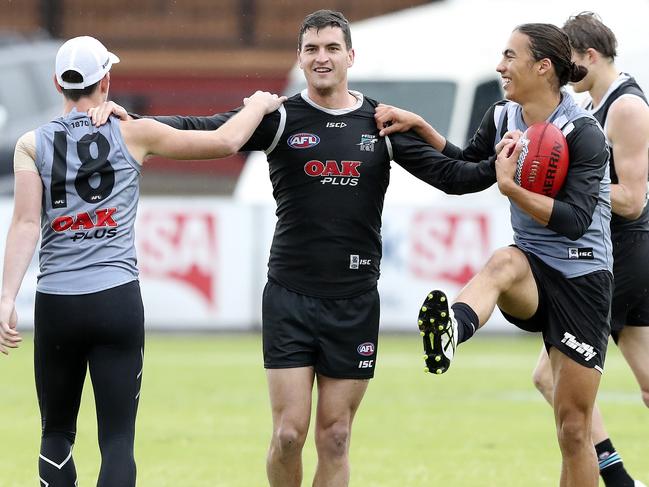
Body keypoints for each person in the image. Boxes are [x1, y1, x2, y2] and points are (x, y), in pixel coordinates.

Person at [87, 9, 512, 487]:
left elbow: (455, 177)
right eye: (312, 49)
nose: (322, 57)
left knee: (335, 436)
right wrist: (133, 122)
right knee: (289, 434)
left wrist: (502, 159)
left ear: (351, 56)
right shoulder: (279, 118)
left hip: (354, 301)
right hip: (290, 297)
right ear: (300, 58)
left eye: (332, 48)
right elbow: (200, 125)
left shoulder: (382, 123)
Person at [0, 35, 284, 486]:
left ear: (58, 83)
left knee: (55, 434)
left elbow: (25, 225)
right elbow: (225, 141)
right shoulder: (134, 131)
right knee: (117, 441)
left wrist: (5, 298)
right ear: (106, 81)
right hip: (116, 300)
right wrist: (258, 103)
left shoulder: (31, 145)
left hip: (57, 303)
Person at [376, 23, 611, 487]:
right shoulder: (503, 116)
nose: (500, 66)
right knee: (503, 262)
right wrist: (417, 130)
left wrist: (510, 188)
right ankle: (450, 333)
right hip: (533, 269)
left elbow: (575, 219)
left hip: (584, 277)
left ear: (542, 67)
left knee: (573, 429)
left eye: (510, 56)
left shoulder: (583, 132)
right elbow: (463, 173)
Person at [530, 12, 649, 487]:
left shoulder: (626, 108)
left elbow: (634, 200)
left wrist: (571, 191)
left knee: (547, 376)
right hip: (620, 251)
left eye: (569, 62)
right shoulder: (597, 105)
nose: (563, 71)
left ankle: (616, 480)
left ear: (590, 57)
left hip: (623, 252)